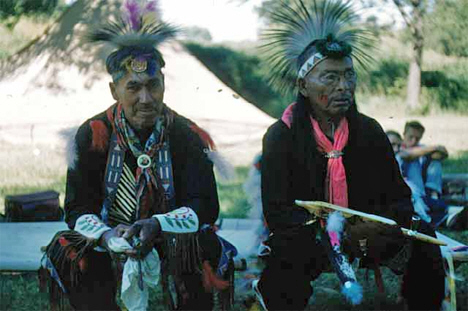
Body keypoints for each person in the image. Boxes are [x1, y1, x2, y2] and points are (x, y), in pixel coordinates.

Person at [253, 1, 445, 310]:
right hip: (308, 238)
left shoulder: (368, 131)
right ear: (303, 85)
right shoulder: (282, 137)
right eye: (329, 77)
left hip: (369, 235)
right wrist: (330, 228)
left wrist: (378, 225)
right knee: (286, 256)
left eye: (348, 76)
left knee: (423, 237)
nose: (343, 87)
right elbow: (277, 212)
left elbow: (399, 197)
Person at [53, 2, 225, 310]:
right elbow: (77, 207)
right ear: (113, 90)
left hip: (169, 234)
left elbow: (206, 205)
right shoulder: (92, 134)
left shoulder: (186, 135)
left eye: (152, 85)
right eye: (133, 87)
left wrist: (158, 224)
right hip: (110, 235)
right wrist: (106, 235)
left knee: (204, 246)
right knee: (69, 249)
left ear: (163, 85)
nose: (145, 98)